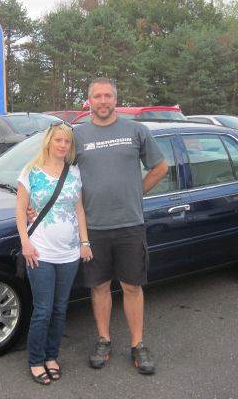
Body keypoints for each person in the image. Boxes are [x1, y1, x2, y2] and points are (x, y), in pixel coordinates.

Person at [73, 78, 168, 375]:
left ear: (116, 99)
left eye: (108, 96)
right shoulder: (77, 135)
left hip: (130, 224)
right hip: (94, 227)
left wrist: (136, 192)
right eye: (97, 96)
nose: (103, 101)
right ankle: (104, 340)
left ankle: (138, 344)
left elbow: (161, 167)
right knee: (99, 287)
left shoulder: (135, 130)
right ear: (89, 101)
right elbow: (56, 172)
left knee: (132, 286)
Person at [15, 123, 93, 385]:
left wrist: (85, 242)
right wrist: (25, 242)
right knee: (43, 310)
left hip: (69, 254)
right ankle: (36, 360)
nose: (62, 145)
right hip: (40, 252)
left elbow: (79, 209)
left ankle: (51, 356)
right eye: (58, 140)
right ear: (49, 142)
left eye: (67, 142)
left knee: (60, 309)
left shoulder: (74, 173)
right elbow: (20, 210)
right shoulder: (31, 172)